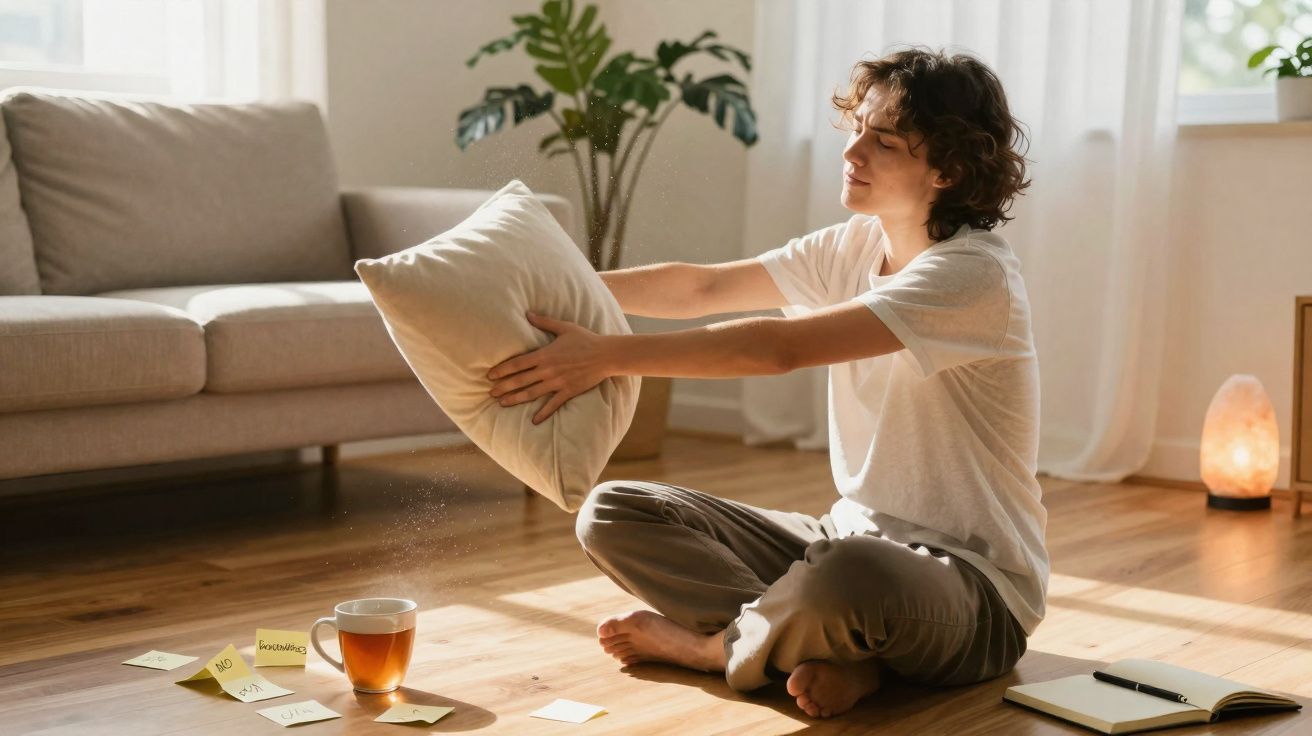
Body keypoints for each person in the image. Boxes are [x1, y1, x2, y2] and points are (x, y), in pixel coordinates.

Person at [486, 47, 1046, 720]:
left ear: (949, 171)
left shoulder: (974, 277)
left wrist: (606, 355)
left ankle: (721, 649)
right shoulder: (855, 245)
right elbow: (705, 286)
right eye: (859, 127)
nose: (854, 150)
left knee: (849, 576)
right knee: (612, 511)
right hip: (843, 541)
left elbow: (779, 349)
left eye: (885, 140)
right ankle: (842, 659)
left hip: (975, 594)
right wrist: (539, 297)